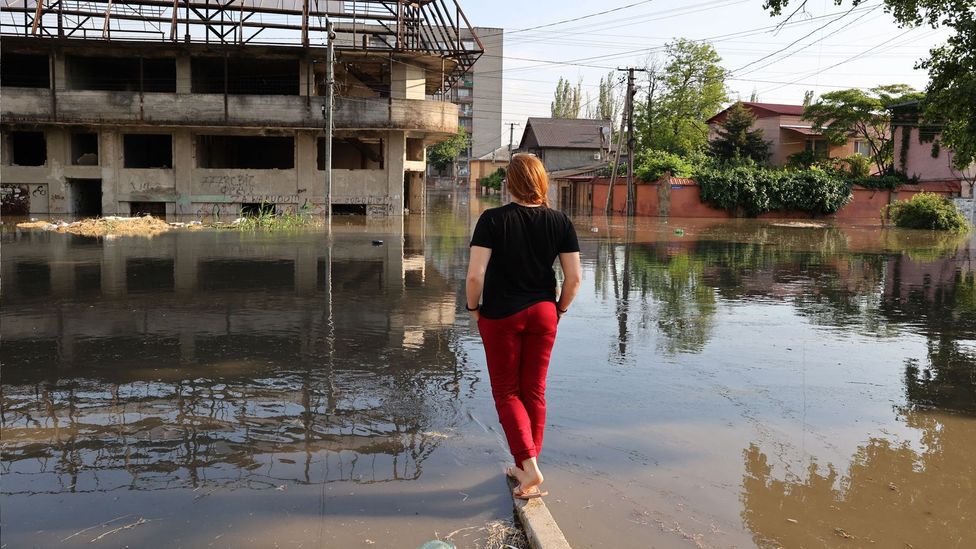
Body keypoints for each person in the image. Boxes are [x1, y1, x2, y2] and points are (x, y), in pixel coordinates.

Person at [465, 153, 582, 500]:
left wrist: (473, 308)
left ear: (509, 183)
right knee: (534, 390)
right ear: (542, 182)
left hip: (501, 314)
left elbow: (475, 275)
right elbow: (574, 279)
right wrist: (558, 310)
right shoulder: (560, 222)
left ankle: (527, 465)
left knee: (506, 393)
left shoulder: (492, 220)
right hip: (544, 312)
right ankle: (529, 464)